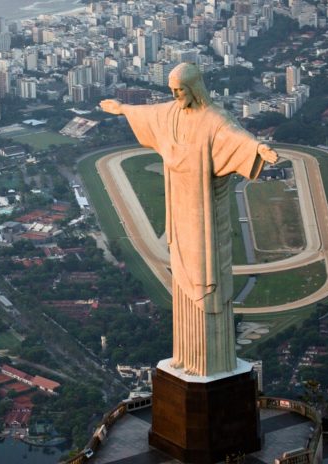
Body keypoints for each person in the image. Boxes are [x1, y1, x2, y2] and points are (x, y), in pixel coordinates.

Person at [100, 63, 278, 376]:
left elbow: (236, 137)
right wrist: (122, 109)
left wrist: (260, 147)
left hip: (205, 215)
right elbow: (148, 114)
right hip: (180, 210)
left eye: (180, 90)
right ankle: (186, 357)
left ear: (194, 87)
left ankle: (212, 361)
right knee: (182, 283)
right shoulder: (170, 113)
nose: (175, 95)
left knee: (206, 280)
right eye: (172, 91)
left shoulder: (214, 119)